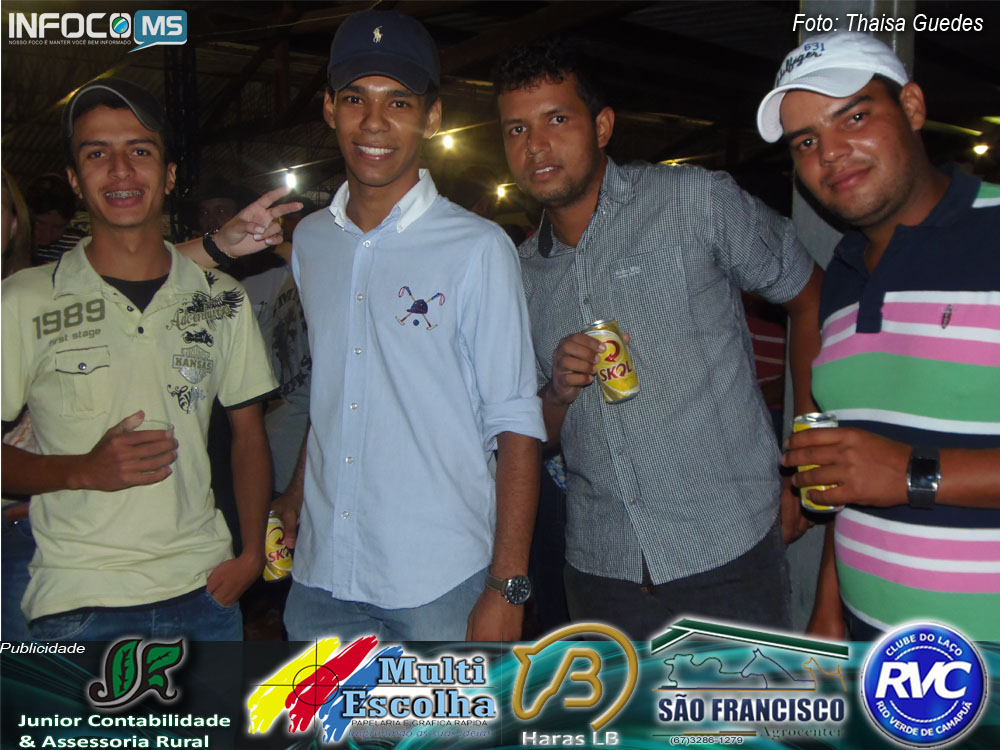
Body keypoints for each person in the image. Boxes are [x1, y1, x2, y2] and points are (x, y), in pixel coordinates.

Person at [493, 36, 823, 639]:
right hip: (600, 571)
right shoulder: (518, 273)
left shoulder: (693, 201)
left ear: (602, 126)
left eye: (556, 119)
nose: (535, 145)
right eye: (517, 129)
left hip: (726, 552)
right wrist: (558, 393)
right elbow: (532, 435)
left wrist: (805, 460)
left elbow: (809, 295)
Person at [273, 10, 545, 642]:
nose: (374, 122)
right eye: (355, 99)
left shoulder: (477, 247)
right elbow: (339, 386)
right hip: (321, 578)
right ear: (329, 110)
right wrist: (294, 493)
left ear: (432, 117)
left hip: (437, 582)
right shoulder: (311, 242)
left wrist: (508, 584)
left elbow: (515, 420)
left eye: (398, 101)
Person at [1, 78, 279, 641]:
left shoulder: (221, 298)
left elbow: (249, 435)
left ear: (170, 175)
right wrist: (80, 470)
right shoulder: (25, 300)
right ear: (75, 180)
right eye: (96, 154)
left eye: (140, 151)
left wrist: (251, 554)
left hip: (204, 593)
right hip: (77, 600)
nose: (121, 170)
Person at [758, 31, 1000, 640]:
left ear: (912, 107)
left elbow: (887, 470)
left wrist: (914, 474)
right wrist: (829, 609)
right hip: (878, 647)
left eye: (855, 117)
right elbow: (855, 470)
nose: (831, 153)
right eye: (806, 141)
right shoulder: (842, 276)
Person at [2, 168, 37, 641]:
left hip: (21, 532)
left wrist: (218, 246)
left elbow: (139, 263)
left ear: (13, 224)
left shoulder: (40, 300)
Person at [24, 173, 86, 266]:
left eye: (57, 227)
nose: (47, 235)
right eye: (40, 223)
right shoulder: (9, 244)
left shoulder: (76, 250)